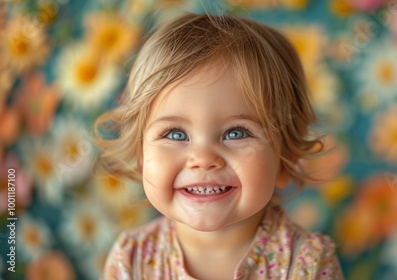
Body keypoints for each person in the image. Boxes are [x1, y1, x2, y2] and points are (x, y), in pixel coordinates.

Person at [94, 11, 344, 280]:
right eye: (176, 134)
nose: (203, 158)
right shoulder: (131, 259)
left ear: (285, 158)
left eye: (236, 133)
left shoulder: (307, 264)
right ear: (141, 154)